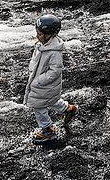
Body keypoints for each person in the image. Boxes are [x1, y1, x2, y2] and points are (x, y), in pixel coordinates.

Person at [24, 14, 77, 143]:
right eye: (37, 33)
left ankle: (47, 130)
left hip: (44, 84)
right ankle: (69, 109)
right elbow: (37, 60)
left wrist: (38, 81)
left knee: (39, 107)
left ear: (50, 35)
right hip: (43, 84)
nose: (38, 36)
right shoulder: (42, 45)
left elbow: (55, 71)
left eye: (40, 34)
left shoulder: (54, 52)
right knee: (52, 101)